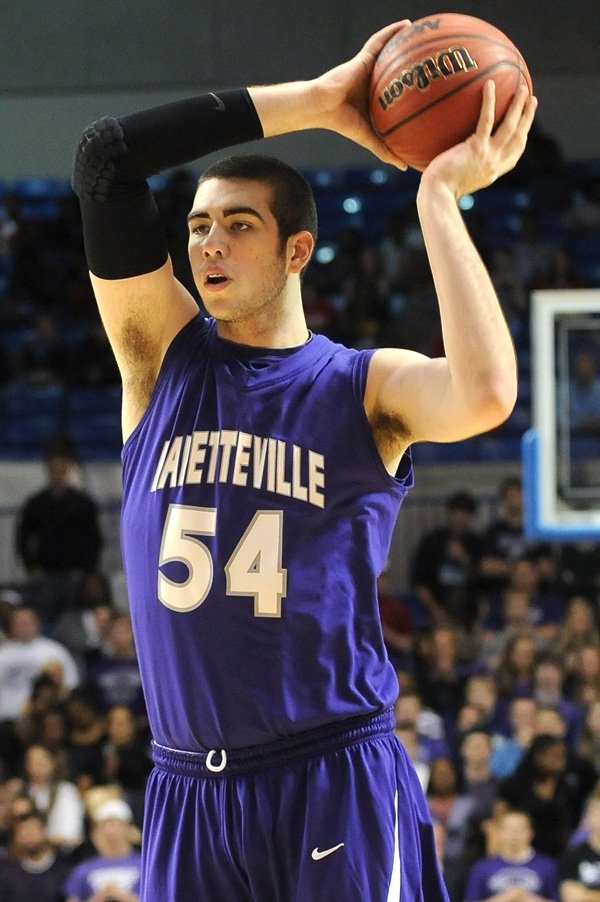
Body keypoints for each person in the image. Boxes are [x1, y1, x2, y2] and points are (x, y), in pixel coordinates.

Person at [71, 17, 537, 901]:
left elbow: (485, 394)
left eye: (237, 225)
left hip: (331, 774)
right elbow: (106, 160)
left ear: (296, 251)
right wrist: (322, 102)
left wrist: (440, 200)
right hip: (187, 791)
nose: (207, 243)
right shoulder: (159, 358)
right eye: (199, 225)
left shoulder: (364, 387)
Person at [464, 809, 559, 902]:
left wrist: (528, 898)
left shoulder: (547, 866)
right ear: (500, 832)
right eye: (509, 829)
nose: (514, 834)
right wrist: (504, 898)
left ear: (530, 832)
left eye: (519, 829)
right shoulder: (481, 868)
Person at [64, 797, 141, 902]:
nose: (112, 832)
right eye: (106, 826)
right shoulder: (83, 869)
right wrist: (100, 897)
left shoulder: (145, 866)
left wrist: (124, 897)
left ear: (128, 829)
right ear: (96, 832)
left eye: (117, 825)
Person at [0, 809, 74, 902]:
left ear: (44, 831)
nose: (27, 836)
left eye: (31, 829)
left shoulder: (65, 865)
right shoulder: (8, 872)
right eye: (22, 832)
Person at [559, 789, 600, 902]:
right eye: (597, 813)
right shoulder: (572, 856)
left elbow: (580, 896)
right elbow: (571, 897)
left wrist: (585, 895)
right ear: (587, 819)